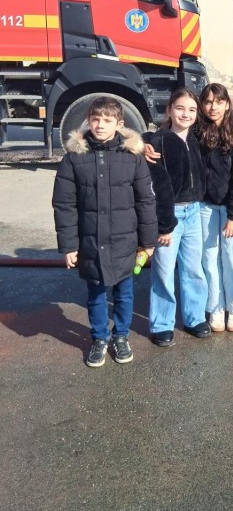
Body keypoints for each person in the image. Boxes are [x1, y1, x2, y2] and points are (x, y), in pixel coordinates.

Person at [52, 96, 157, 367]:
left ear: (119, 124)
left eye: (107, 120)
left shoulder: (132, 158)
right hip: (90, 241)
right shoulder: (74, 158)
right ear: (88, 120)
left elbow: (145, 201)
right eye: (96, 119)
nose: (100, 125)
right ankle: (99, 338)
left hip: (125, 241)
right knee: (96, 294)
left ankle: (121, 336)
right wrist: (69, 246)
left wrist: (148, 242)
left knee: (124, 293)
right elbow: (64, 204)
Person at [145, 88, 209, 347]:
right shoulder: (158, 141)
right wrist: (164, 225)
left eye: (192, 110)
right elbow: (159, 187)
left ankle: (194, 317)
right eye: (180, 108)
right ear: (169, 110)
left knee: (194, 268)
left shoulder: (196, 140)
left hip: (194, 211)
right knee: (163, 271)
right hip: (169, 215)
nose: (186, 114)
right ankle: (161, 324)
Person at [199, 83, 233, 333]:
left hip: (230, 209)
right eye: (208, 102)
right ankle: (216, 307)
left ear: (227, 104)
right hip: (205, 206)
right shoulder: (197, 131)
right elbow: (164, 135)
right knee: (208, 258)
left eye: (218, 102)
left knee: (232, 259)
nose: (213, 107)